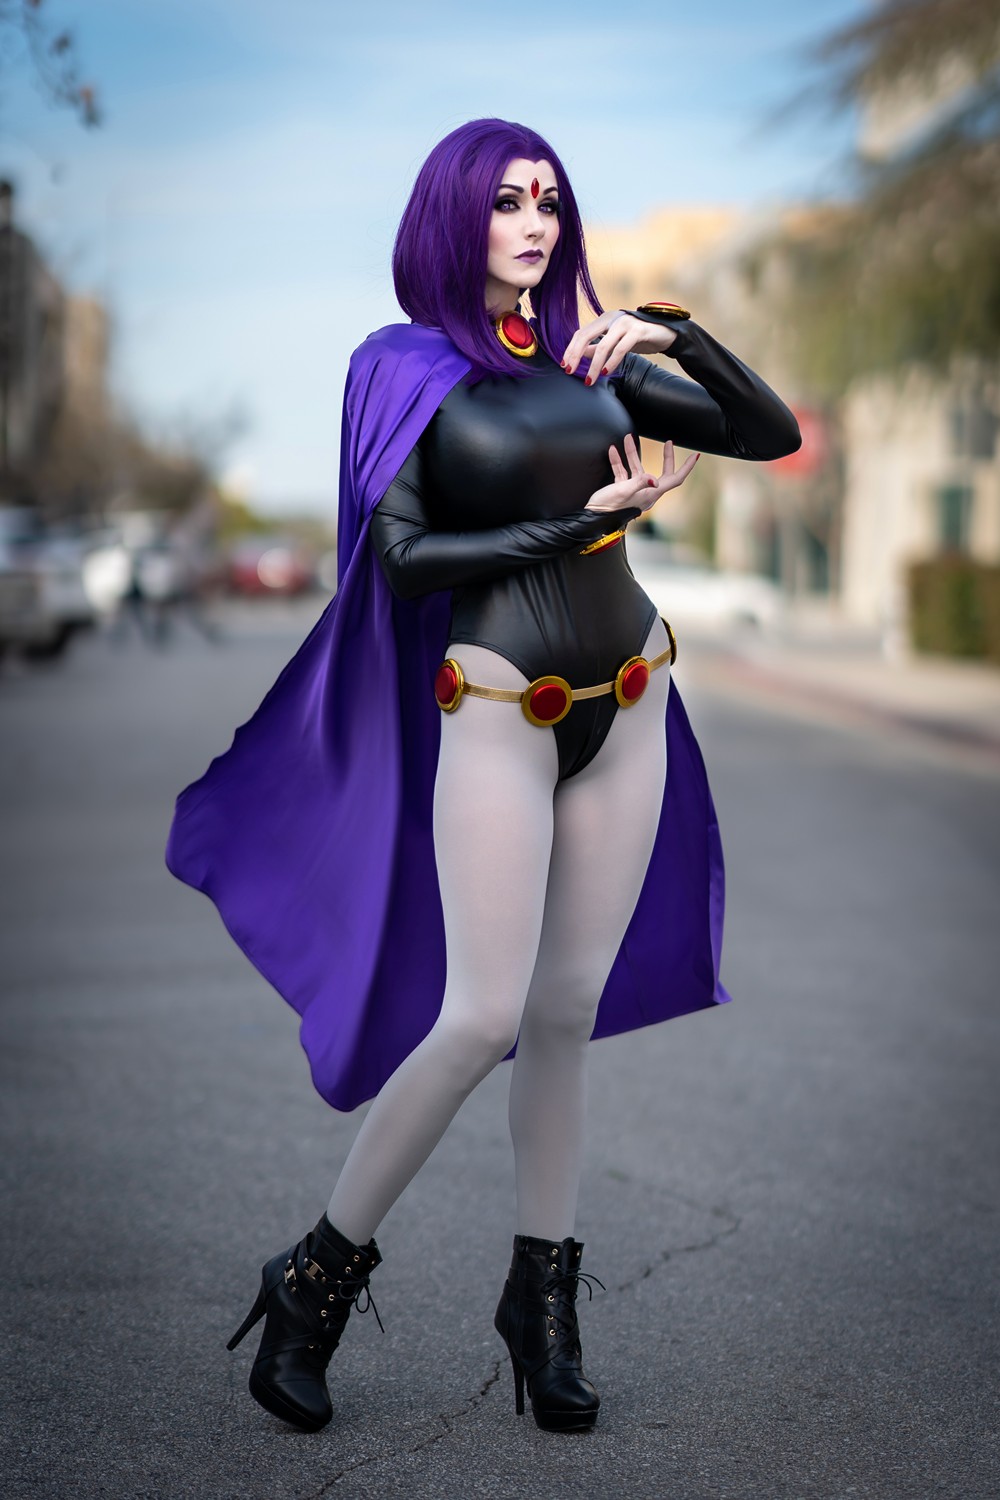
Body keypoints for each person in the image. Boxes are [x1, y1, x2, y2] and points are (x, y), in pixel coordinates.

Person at [165, 117, 801, 1436]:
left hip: (630, 699)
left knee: (564, 1011)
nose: (534, 223)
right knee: (477, 1016)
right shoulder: (403, 369)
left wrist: (668, 333)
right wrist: (582, 525)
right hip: (501, 704)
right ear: (455, 217)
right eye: (507, 201)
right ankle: (311, 1282)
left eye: (550, 201)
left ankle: (542, 1310)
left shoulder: (591, 362)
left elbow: (768, 430)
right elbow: (405, 560)